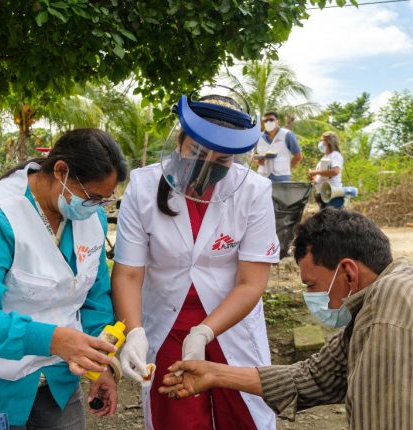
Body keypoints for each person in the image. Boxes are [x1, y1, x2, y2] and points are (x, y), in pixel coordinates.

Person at [160, 208, 413, 430]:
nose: (312, 297)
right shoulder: (392, 288)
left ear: (348, 272)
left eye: (314, 285)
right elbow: (314, 376)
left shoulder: (388, 316)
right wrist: (215, 374)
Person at [0, 129, 128, 429]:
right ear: (60, 171)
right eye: (91, 197)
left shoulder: (90, 218)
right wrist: (53, 340)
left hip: (56, 382)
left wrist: (100, 367)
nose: (96, 207)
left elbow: (94, 297)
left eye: (103, 201)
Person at [112, 94, 280, 430]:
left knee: (243, 416)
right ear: (179, 141)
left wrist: (204, 332)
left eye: (222, 160)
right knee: (178, 417)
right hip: (168, 325)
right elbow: (128, 274)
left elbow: (251, 282)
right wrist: (134, 333)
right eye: (198, 153)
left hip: (230, 322)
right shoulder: (143, 188)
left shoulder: (254, 192)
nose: (207, 167)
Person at [255, 111, 302, 182]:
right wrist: (257, 161)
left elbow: (298, 156)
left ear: (277, 122)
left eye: (271, 120)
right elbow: (251, 156)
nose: (268, 122)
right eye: (265, 121)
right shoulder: (258, 137)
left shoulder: (287, 135)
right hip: (262, 178)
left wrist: (286, 168)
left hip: (282, 179)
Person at [308, 131, 345, 209]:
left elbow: (335, 171)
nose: (320, 143)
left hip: (333, 195)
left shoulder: (335, 155)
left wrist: (315, 172)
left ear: (329, 142)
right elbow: (323, 176)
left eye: (322, 140)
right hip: (323, 195)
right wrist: (314, 179)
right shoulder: (324, 157)